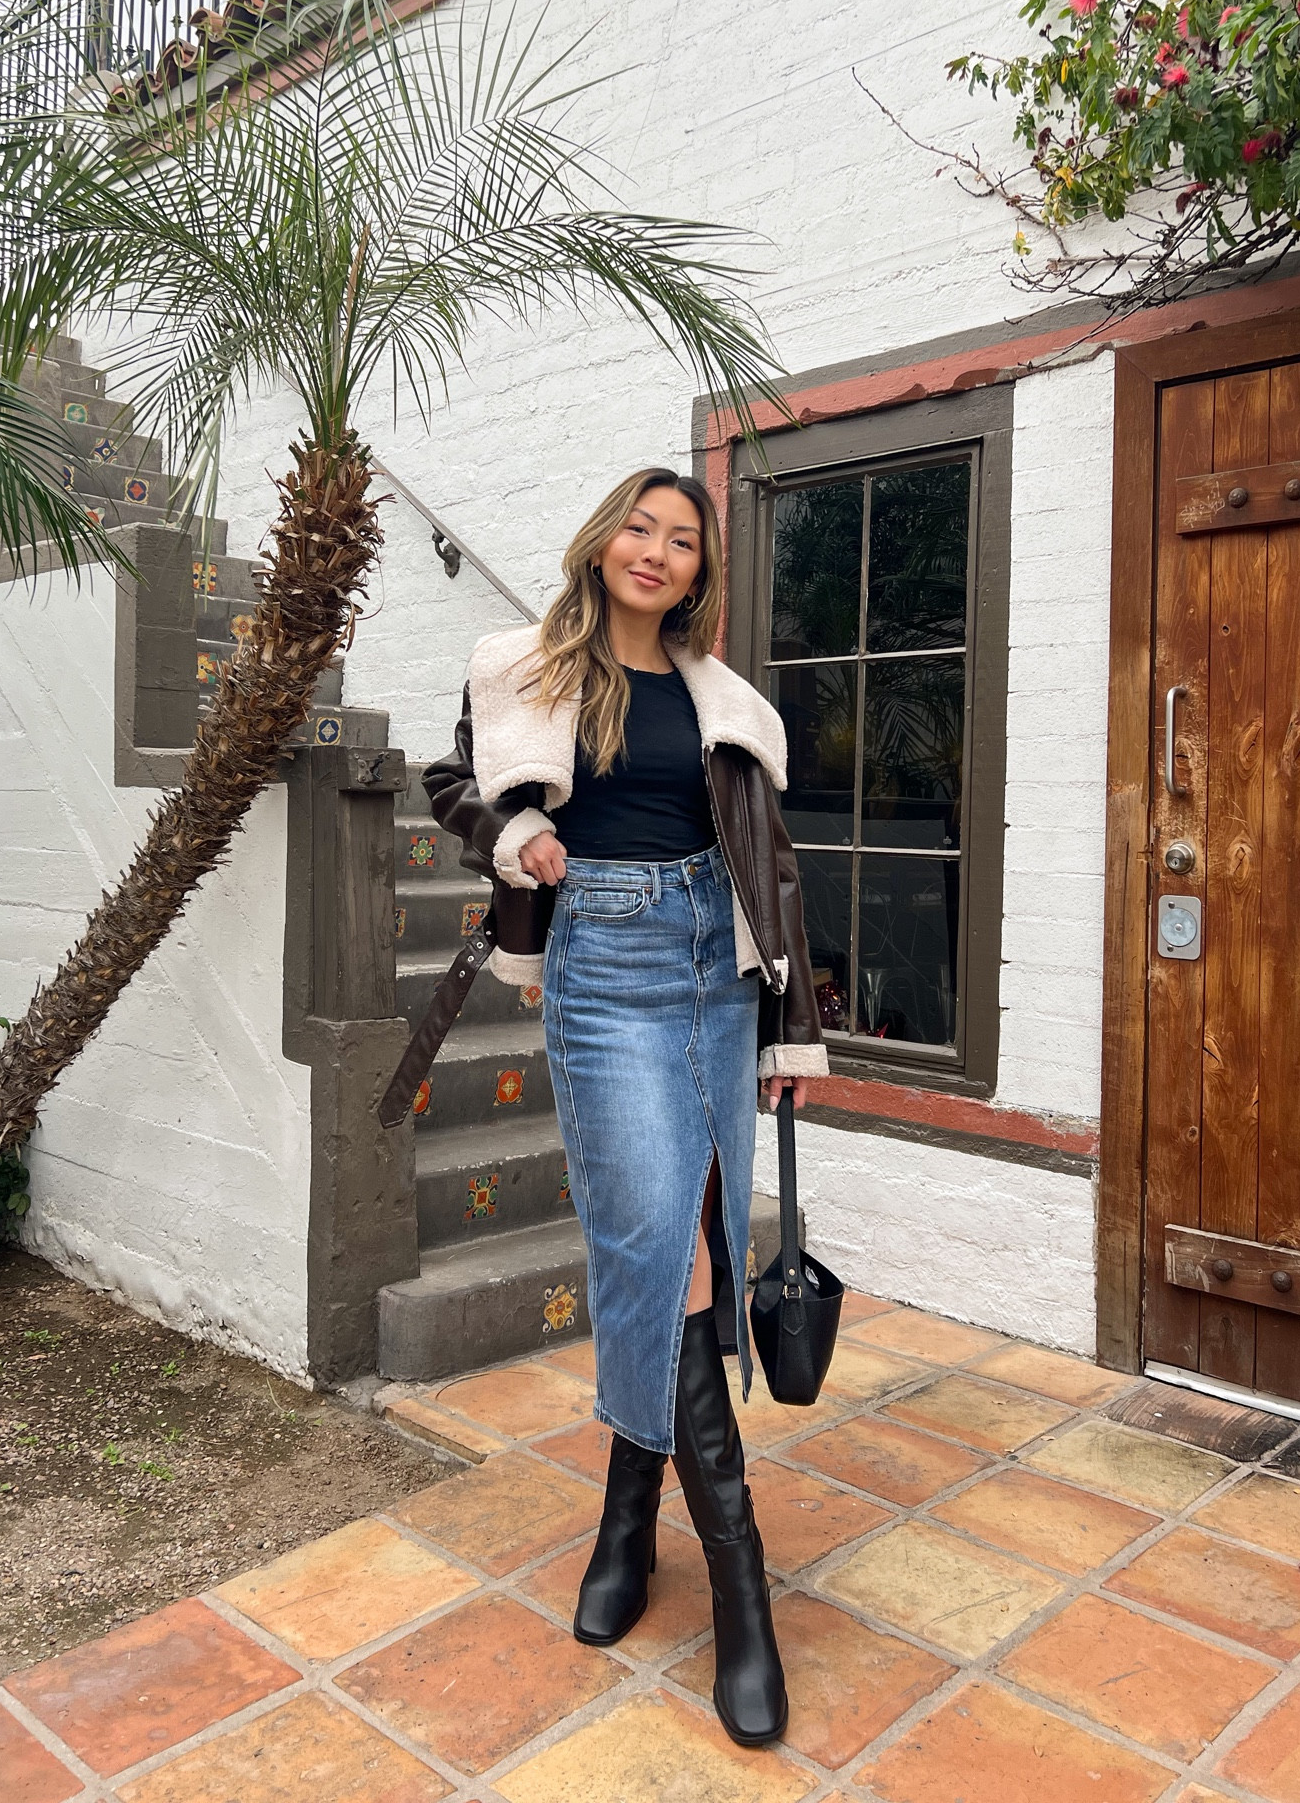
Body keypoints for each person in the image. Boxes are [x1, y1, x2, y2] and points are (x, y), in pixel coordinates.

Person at [423, 466, 827, 1748]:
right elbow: (454, 780)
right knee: (658, 1241)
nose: (657, 551)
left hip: (719, 963)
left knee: (693, 1239)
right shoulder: (523, 666)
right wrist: (512, 834)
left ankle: (624, 1518)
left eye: (682, 539)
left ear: (701, 570)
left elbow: (767, 862)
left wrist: (792, 1021)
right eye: (638, 530)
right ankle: (743, 1592)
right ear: (602, 544)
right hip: (604, 958)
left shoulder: (724, 703)